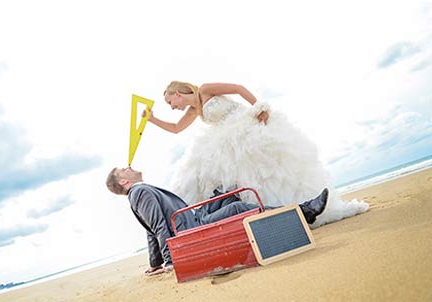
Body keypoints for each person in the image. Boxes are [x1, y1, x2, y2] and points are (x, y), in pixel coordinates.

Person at [146, 81, 368, 227]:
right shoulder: (194, 110)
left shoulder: (205, 89)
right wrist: (152, 119)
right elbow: (176, 128)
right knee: (247, 178)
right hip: (228, 140)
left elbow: (238, 89)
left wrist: (259, 107)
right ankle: (285, 216)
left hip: (246, 125)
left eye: (170, 101)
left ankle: (302, 207)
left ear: (177, 93)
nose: (171, 106)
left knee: (274, 170)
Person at [105, 166, 329, 276]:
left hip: (195, 217)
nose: (129, 165)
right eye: (124, 168)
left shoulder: (140, 191)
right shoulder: (139, 192)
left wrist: (153, 262)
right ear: (124, 181)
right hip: (193, 228)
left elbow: (150, 230)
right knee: (237, 207)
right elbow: (157, 227)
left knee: (226, 194)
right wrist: (169, 261)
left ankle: (270, 227)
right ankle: (304, 212)